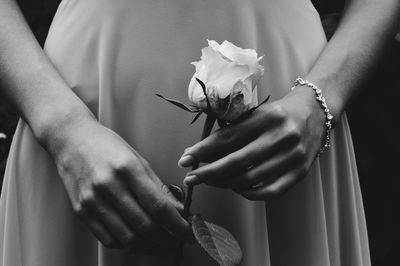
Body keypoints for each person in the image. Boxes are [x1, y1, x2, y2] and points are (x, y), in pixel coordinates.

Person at [0, 0, 398, 265]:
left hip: (290, 112)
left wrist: (321, 99)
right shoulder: (69, 129)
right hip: (84, 114)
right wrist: (63, 128)